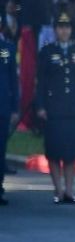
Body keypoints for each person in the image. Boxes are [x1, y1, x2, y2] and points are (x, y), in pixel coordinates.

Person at [36, 12, 75, 204]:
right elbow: (41, 82)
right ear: (55, 30)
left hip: (72, 107)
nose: (64, 31)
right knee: (54, 150)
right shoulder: (47, 52)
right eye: (60, 27)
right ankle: (57, 190)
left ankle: (69, 190)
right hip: (54, 108)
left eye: (67, 27)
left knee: (70, 152)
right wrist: (40, 105)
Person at [0, 31, 17, 205]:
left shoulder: (8, 48)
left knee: (1, 149)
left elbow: (14, 81)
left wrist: (15, 108)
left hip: (2, 107)